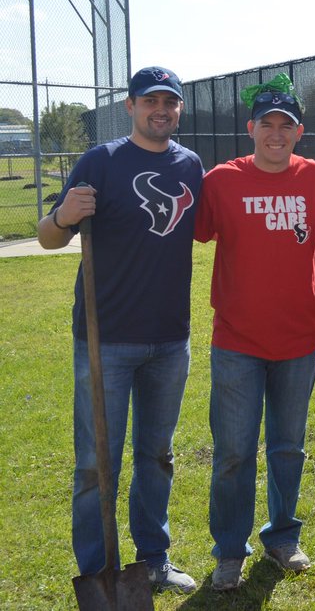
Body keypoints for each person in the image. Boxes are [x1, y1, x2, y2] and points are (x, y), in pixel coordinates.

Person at [38, 66, 203, 593]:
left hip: (170, 340)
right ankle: (97, 570)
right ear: (130, 106)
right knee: (95, 465)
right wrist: (63, 215)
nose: (161, 111)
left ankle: (153, 558)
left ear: (179, 109)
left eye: (170, 103)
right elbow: (46, 237)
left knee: (158, 456)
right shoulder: (100, 161)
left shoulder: (190, 165)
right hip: (104, 339)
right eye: (150, 101)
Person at [194, 74, 315, 591]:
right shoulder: (222, 180)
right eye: (267, 124)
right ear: (251, 128)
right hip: (237, 340)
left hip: (298, 338)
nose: (276, 134)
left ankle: (283, 535)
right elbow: (183, 229)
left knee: (288, 446)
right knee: (234, 452)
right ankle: (229, 549)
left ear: (299, 132)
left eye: (285, 125)